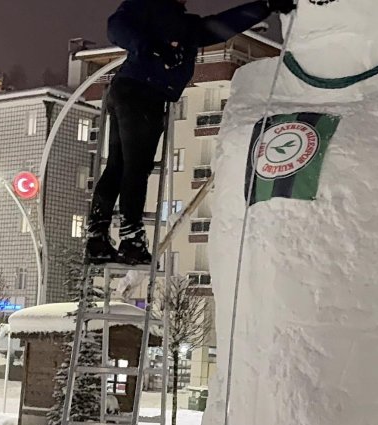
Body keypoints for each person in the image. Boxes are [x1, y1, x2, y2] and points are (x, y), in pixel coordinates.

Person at [85, 0, 297, 265]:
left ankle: (97, 237)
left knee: (118, 165)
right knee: (135, 168)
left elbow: (221, 26)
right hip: (142, 93)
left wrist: (263, 7)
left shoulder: (185, 25)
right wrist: (153, 48)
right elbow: (116, 27)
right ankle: (131, 239)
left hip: (130, 90)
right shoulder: (150, 8)